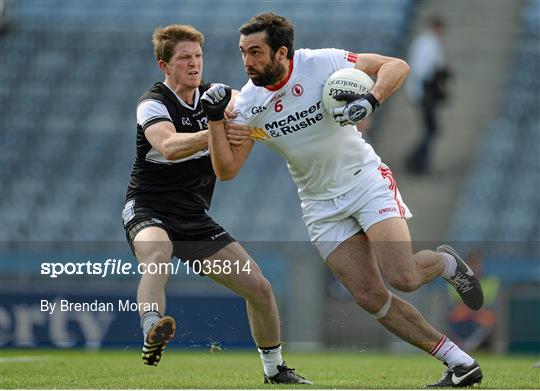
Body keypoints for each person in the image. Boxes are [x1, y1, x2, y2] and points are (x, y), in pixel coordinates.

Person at [201, 13, 484, 388]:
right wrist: (215, 121)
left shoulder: (323, 62)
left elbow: (395, 66)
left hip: (365, 183)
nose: (247, 62)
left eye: (255, 52)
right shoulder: (251, 104)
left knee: (404, 277)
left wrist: (372, 99)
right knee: (370, 298)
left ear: (281, 52)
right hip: (320, 206)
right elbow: (227, 171)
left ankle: (446, 263)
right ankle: (460, 363)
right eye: (242, 53)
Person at [122, 24, 309, 384]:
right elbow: (169, 146)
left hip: (193, 217)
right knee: (158, 254)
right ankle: (150, 328)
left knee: (259, 288)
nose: (194, 64)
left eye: (198, 56)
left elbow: (257, 107)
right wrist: (217, 131)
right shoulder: (153, 103)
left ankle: (275, 370)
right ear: (164, 65)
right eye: (184, 58)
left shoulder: (217, 97)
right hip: (148, 208)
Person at [405, 16, 452, 174]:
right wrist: (436, 77)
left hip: (424, 91)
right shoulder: (427, 43)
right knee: (432, 129)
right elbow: (421, 70)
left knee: (430, 129)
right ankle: (415, 159)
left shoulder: (425, 43)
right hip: (425, 92)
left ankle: (420, 162)